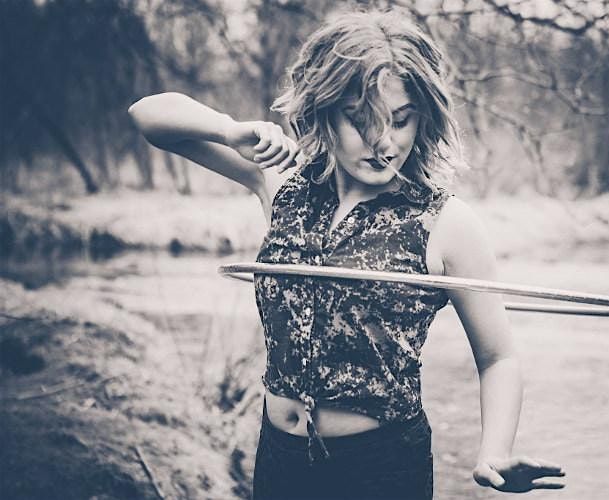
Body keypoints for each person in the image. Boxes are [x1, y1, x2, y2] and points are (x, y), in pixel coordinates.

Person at [129, 8, 564, 499]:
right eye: (360, 120)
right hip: (280, 456)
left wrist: (494, 453)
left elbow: (498, 356)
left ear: (423, 117)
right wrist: (229, 130)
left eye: (400, 120)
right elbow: (148, 116)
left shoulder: (446, 222)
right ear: (324, 110)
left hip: (380, 468)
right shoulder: (282, 183)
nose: (383, 142)